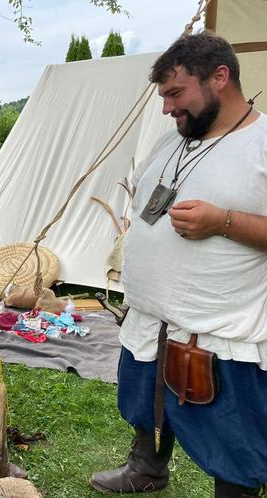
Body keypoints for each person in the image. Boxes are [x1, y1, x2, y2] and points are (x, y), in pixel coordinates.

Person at [89, 32, 267, 497]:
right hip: (151, 315)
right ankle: (146, 468)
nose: (167, 108)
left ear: (220, 78)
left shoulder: (262, 144)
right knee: (145, 403)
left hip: (218, 326)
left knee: (230, 434)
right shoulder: (174, 141)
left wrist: (222, 220)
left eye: (175, 94)